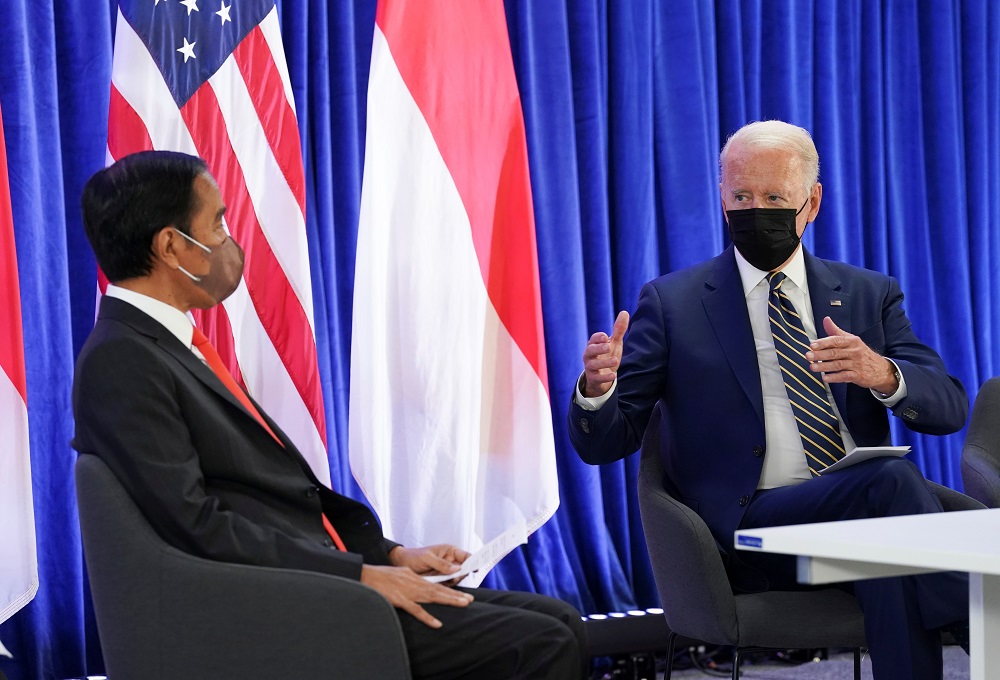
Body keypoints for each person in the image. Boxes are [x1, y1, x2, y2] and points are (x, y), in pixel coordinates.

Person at [73, 150, 586, 680]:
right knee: (543, 643)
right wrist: (360, 576)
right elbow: (197, 526)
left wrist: (388, 555)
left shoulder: (167, 345)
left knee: (564, 621)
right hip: (275, 612)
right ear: (171, 245)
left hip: (316, 581)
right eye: (219, 222)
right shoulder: (123, 359)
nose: (229, 237)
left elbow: (263, 499)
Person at [568, 120, 969, 680]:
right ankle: (972, 598)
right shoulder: (675, 303)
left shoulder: (866, 293)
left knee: (890, 546)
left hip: (863, 527)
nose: (757, 211)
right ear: (722, 200)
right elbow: (607, 441)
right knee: (896, 485)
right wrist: (596, 391)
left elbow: (949, 408)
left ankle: (956, 585)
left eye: (775, 197)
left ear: (812, 203)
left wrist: (882, 374)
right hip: (753, 535)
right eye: (741, 197)